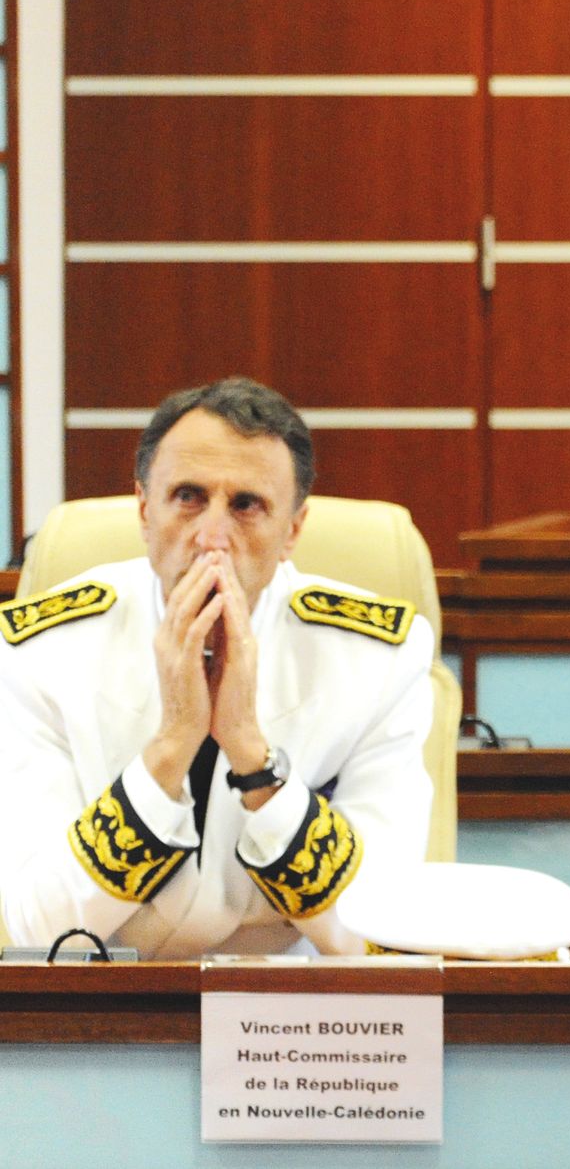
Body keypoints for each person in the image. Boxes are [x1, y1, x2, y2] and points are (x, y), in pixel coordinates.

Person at [0, 378, 435, 958]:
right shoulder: (42, 650)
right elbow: (37, 928)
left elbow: (380, 930)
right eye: (187, 497)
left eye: (246, 505)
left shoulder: (378, 659)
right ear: (144, 512)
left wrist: (254, 761)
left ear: (293, 532)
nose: (212, 539)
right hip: (105, 1003)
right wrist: (172, 746)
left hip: (296, 1015)